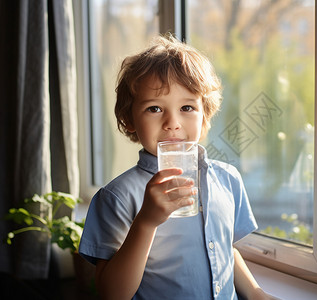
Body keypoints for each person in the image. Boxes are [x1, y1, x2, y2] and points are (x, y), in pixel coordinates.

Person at [79, 35, 269, 300]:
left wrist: (256, 293)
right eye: (155, 108)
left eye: (187, 107)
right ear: (129, 119)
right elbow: (113, 294)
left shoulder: (227, 179)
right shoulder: (117, 197)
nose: (172, 122)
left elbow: (224, 251)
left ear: (205, 118)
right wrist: (146, 221)